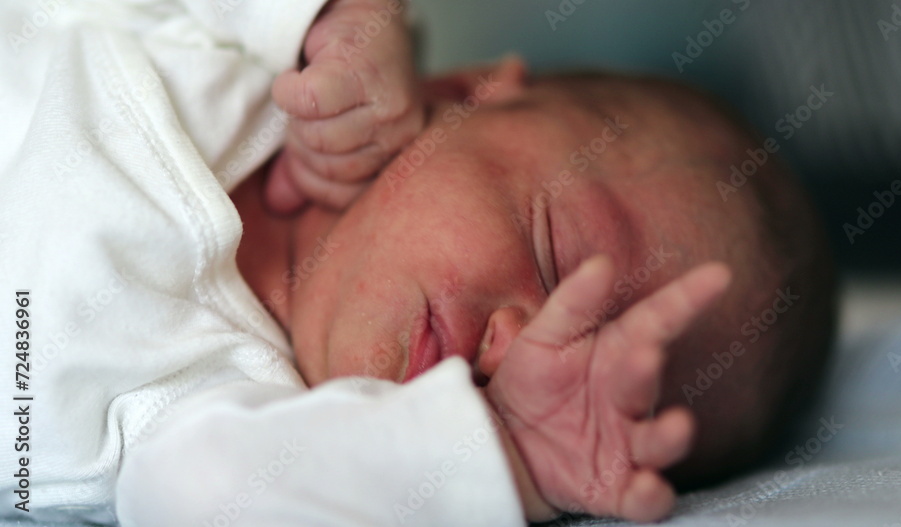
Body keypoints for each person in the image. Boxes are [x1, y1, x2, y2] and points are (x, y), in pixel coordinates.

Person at [0, 0, 834, 525]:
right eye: (553, 255)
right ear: (459, 95)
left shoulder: (226, 414)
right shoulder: (226, 56)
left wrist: (509, 459)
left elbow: (201, 494)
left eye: (567, 385)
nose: (515, 348)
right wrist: (331, 19)